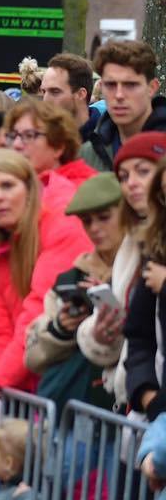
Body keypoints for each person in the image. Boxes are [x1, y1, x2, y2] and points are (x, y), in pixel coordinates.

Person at [0, 149, 93, 397]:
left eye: (7, 186)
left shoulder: (61, 228)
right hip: (31, 380)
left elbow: (34, 314)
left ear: (28, 188)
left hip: (65, 381)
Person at [78, 132, 165, 408]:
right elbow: (137, 332)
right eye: (124, 176)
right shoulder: (131, 242)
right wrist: (101, 332)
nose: (133, 184)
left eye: (143, 171)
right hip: (136, 399)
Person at [23, 173, 124, 405]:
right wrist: (60, 328)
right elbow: (32, 357)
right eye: (87, 221)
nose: (95, 228)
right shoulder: (70, 279)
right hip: (70, 409)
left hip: (121, 409)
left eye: (104, 217)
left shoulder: (143, 271)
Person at [83, 40, 166, 171]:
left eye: (130, 85)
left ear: (152, 88)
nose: (119, 95)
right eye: (111, 84)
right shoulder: (87, 154)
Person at [3, 96, 96, 210]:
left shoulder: (77, 195)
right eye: (13, 136)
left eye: (29, 135)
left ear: (58, 146)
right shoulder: (17, 186)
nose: (16, 144)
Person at [42, 52, 100, 145]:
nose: (45, 100)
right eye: (44, 92)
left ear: (81, 94)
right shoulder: (39, 138)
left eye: (55, 91)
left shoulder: (107, 140)